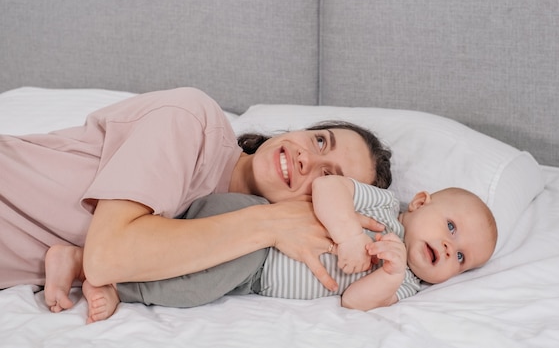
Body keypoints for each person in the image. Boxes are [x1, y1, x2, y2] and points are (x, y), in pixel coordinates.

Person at [0, 87, 392, 309]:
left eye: (328, 178)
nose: (309, 157)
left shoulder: (222, 237)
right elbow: (104, 259)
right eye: (320, 140)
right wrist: (271, 224)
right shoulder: (193, 119)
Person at [45, 175, 497, 322]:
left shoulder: (409, 285)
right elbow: (327, 186)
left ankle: (78, 261)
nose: (447, 246)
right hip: (252, 227)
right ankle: (117, 282)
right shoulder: (382, 207)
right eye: (451, 227)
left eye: (461, 257)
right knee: (196, 284)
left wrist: (389, 276)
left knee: (197, 278)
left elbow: (352, 301)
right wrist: (350, 237)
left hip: (255, 277)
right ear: (420, 203)